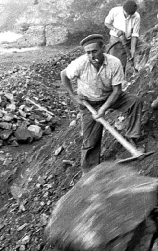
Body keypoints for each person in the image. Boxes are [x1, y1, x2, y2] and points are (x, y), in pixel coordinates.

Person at [60, 34, 143, 173]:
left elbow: (117, 91)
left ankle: (132, 137)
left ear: (103, 48)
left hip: (110, 96)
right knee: (90, 141)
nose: (92, 55)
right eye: (88, 53)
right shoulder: (80, 64)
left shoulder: (114, 63)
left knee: (135, 102)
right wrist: (73, 95)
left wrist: (104, 108)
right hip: (90, 102)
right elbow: (63, 74)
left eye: (94, 51)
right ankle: (89, 172)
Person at [104, 0, 149, 72]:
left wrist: (133, 50)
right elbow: (107, 23)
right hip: (116, 40)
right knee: (119, 65)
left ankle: (138, 69)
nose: (128, 16)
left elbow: (135, 35)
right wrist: (116, 30)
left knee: (145, 47)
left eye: (130, 15)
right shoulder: (115, 11)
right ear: (123, 8)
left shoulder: (136, 16)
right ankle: (119, 80)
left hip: (129, 39)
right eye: (126, 13)